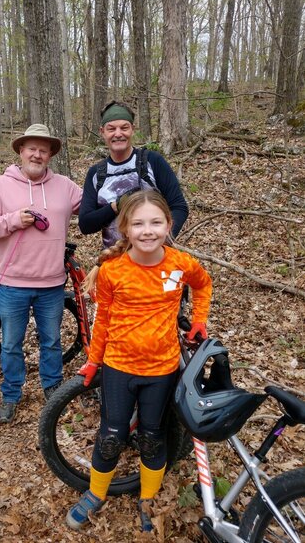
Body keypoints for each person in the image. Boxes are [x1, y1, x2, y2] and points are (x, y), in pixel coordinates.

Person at [66, 189, 212, 532]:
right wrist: (93, 361)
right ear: (125, 229)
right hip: (119, 367)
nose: (148, 230)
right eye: (139, 223)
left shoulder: (180, 263)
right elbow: (101, 322)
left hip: (162, 370)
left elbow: (203, 284)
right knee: (111, 436)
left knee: (152, 437)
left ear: (169, 224)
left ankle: (147, 498)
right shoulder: (113, 270)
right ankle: (95, 493)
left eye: (156, 222)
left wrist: (200, 319)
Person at [0, 124, 82, 424]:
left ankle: (53, 390)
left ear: (50, 155)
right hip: (13, 284)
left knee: (51, 342)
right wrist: (11, 220)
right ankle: (11, 394)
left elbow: (91, 207)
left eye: (43, 150)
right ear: (21, 151)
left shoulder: (65, 186)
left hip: (52, 284)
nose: (37, 154)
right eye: (31, 148)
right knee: (10, 344)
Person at [79, 100, 189, 248]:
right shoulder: (96, 174)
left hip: (155, 260)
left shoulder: (152, 161)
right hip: (116, 263)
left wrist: (162, 242)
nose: (118, 134)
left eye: (124, 128)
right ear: (102, 132)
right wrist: (115, 207)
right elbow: (86, 225)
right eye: (111, 129)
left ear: (132, 129)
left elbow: (179, 206)